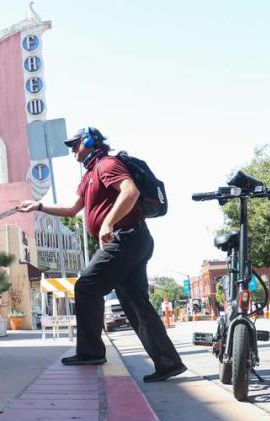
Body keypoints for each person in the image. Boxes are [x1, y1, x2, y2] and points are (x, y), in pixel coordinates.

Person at [16, 127, 186, 382]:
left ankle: (90, 352)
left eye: (74, 144)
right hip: (131, 240)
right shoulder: (89, 176)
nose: (72, 150)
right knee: (135, 302)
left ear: (88, 142)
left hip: (126, 238)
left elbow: (130, 191)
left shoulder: (107, 165)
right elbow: (72, 209)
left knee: (87, 286)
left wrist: (108, 222)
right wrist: (38, 206)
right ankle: (168, 362)